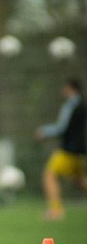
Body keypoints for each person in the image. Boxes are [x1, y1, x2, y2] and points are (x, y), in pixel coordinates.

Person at [35, 77, 87, 220]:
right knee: (81, 181)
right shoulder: (83, 105)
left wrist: (44, 131)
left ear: (71, 88)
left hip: (68, 150)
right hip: (81, 150)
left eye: (65, 88)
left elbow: (62, 128)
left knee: (49, 175)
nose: (63, 90)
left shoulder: (70, 106)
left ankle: (56, 211)